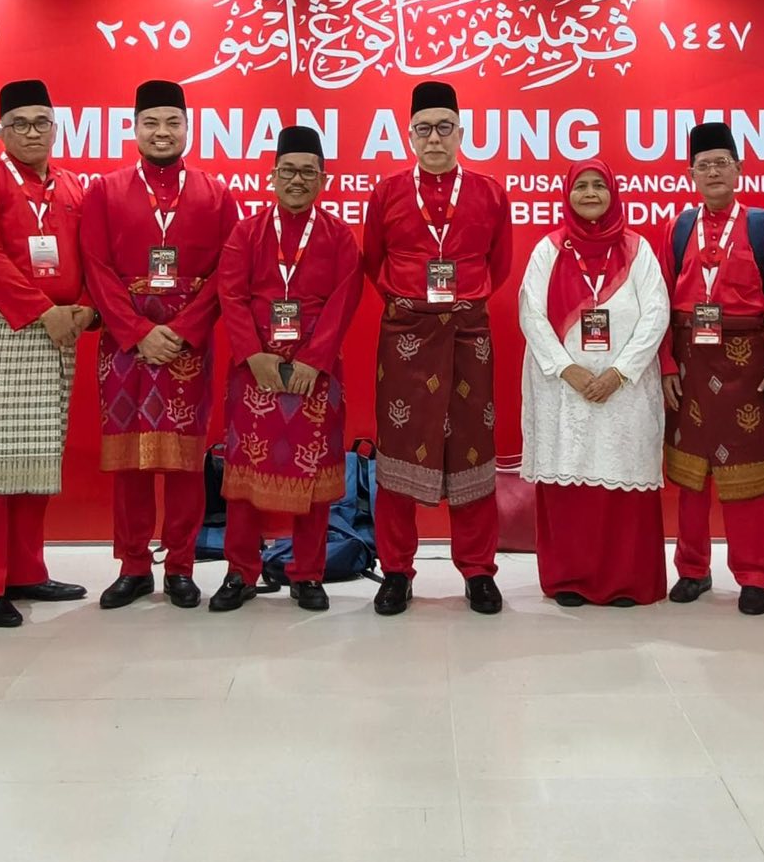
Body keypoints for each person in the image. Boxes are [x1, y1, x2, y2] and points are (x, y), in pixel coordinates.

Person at [0, 79, 95, 628]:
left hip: (59, 334)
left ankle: (25, 571)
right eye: (19, 124)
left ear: (56, 127)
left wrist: (85, 308)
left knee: (37, 459)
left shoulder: (71, 185)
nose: (32, 132)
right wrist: (39, 308)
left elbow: (92, 254)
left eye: (41, 122)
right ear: (1, 130)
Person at [81, 78, 237, 611]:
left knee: (184, 463)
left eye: (173, 122)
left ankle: (181, 567)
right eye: (151, 122)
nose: (162, 131)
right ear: (134, 128)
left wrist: (186, 330)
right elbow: (96, 268)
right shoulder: (104, 191)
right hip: (125, 344)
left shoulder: (216, 194)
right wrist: (136, 332)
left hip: (187, 346)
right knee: (131, 463)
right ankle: (132, 567)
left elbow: (226, 273)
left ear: (188, 128)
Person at [362, 80, 513, 615]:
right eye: (423, 129)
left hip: (469, 334)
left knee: (472, 450)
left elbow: (500, 265)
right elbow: (373, 259)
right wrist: (411, 305)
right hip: (405, 337)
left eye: (444, 128)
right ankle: (396, 571)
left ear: (461, 132)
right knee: (399, 452)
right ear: (408, 134)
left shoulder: (490, 192)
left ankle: (478, 570)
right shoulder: (387, 192)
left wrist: (460, 303)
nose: (434, 138)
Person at [210, 124, 364, 612]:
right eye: (288, 171)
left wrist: (315, 360)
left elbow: (344, 301)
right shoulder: (246, 232)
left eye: (308, 172)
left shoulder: (340, 237)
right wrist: (252, 355)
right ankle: (240, 572)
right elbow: (231, 293)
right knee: (244, 478)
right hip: (252, 368)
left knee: (314, 478)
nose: (297, 180)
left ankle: (308, 574)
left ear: (324, 180)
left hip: (317, 373)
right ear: (272, 176)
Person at [517, 158, 671, 607]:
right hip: (562, 390)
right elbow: (530, 312)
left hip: (625, 391)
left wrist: (619, 372)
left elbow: (656, 313)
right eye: (580, 186)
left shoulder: (638, 249)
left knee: (622, 481)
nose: (589, 194)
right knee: (569, 484)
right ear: (567, 195)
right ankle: (569, 578)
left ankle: (626, 580)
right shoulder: (548, 250)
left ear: (613, 194)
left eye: (598, 186)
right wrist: (569, 369)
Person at [657, 122, 764, 615]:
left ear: (739, 169)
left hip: (746, 362)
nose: (713, 172)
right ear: (690, 174)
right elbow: (661, 302)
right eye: (704, 165)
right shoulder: (678, 228)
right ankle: (693, 569)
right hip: (690, 362)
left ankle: (754, 574)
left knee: (746, 476)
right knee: (690, 477)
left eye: (722, 163)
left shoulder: (762, 225)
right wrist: (666, 364)